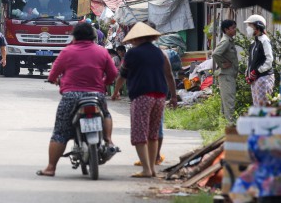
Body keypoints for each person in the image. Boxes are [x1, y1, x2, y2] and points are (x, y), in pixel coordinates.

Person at [36, 22, 118, 177]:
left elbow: (53, 75)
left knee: (60, 132)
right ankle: (109, 140)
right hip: (96, 95)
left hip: (71, 96)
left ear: (74, 36)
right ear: (94, 36)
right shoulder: (102, 52)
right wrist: (103, 84)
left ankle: (51, 168)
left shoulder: (67, 51)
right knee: (106, 114)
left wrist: (56, 81)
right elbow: (113, 74)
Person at [112, 22, 177, 178]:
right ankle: (152, 168)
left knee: (140, 133)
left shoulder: (132, 54)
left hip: (142, 96)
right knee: (153, 133)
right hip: (160, 96)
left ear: (136, 38)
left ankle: (147, 169)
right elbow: (169, 75)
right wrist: (174, 96)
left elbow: (122, 75)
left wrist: (115, 92)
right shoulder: (160, 53)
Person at [244, 15, 274, 107]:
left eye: (250, 26)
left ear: (258, 27)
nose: (248, 28)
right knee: (257, 106)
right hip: (255, 78)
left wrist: (256, 71)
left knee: (262, 107)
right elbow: (251, 62)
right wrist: (248, 74)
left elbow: (269, 61)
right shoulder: (254, 43)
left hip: (263, 78)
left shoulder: (264, 41)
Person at [212, 19, 238, 123]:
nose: (235, 30)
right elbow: (215, 54)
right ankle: (230, 125)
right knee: (229, 101)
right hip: (226, 75)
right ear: (226, 30)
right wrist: (222, 64)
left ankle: (223, 125)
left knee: (225, 102)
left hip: (228, 75)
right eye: (233, 28)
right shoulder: (226, 41)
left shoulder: (229, 40)